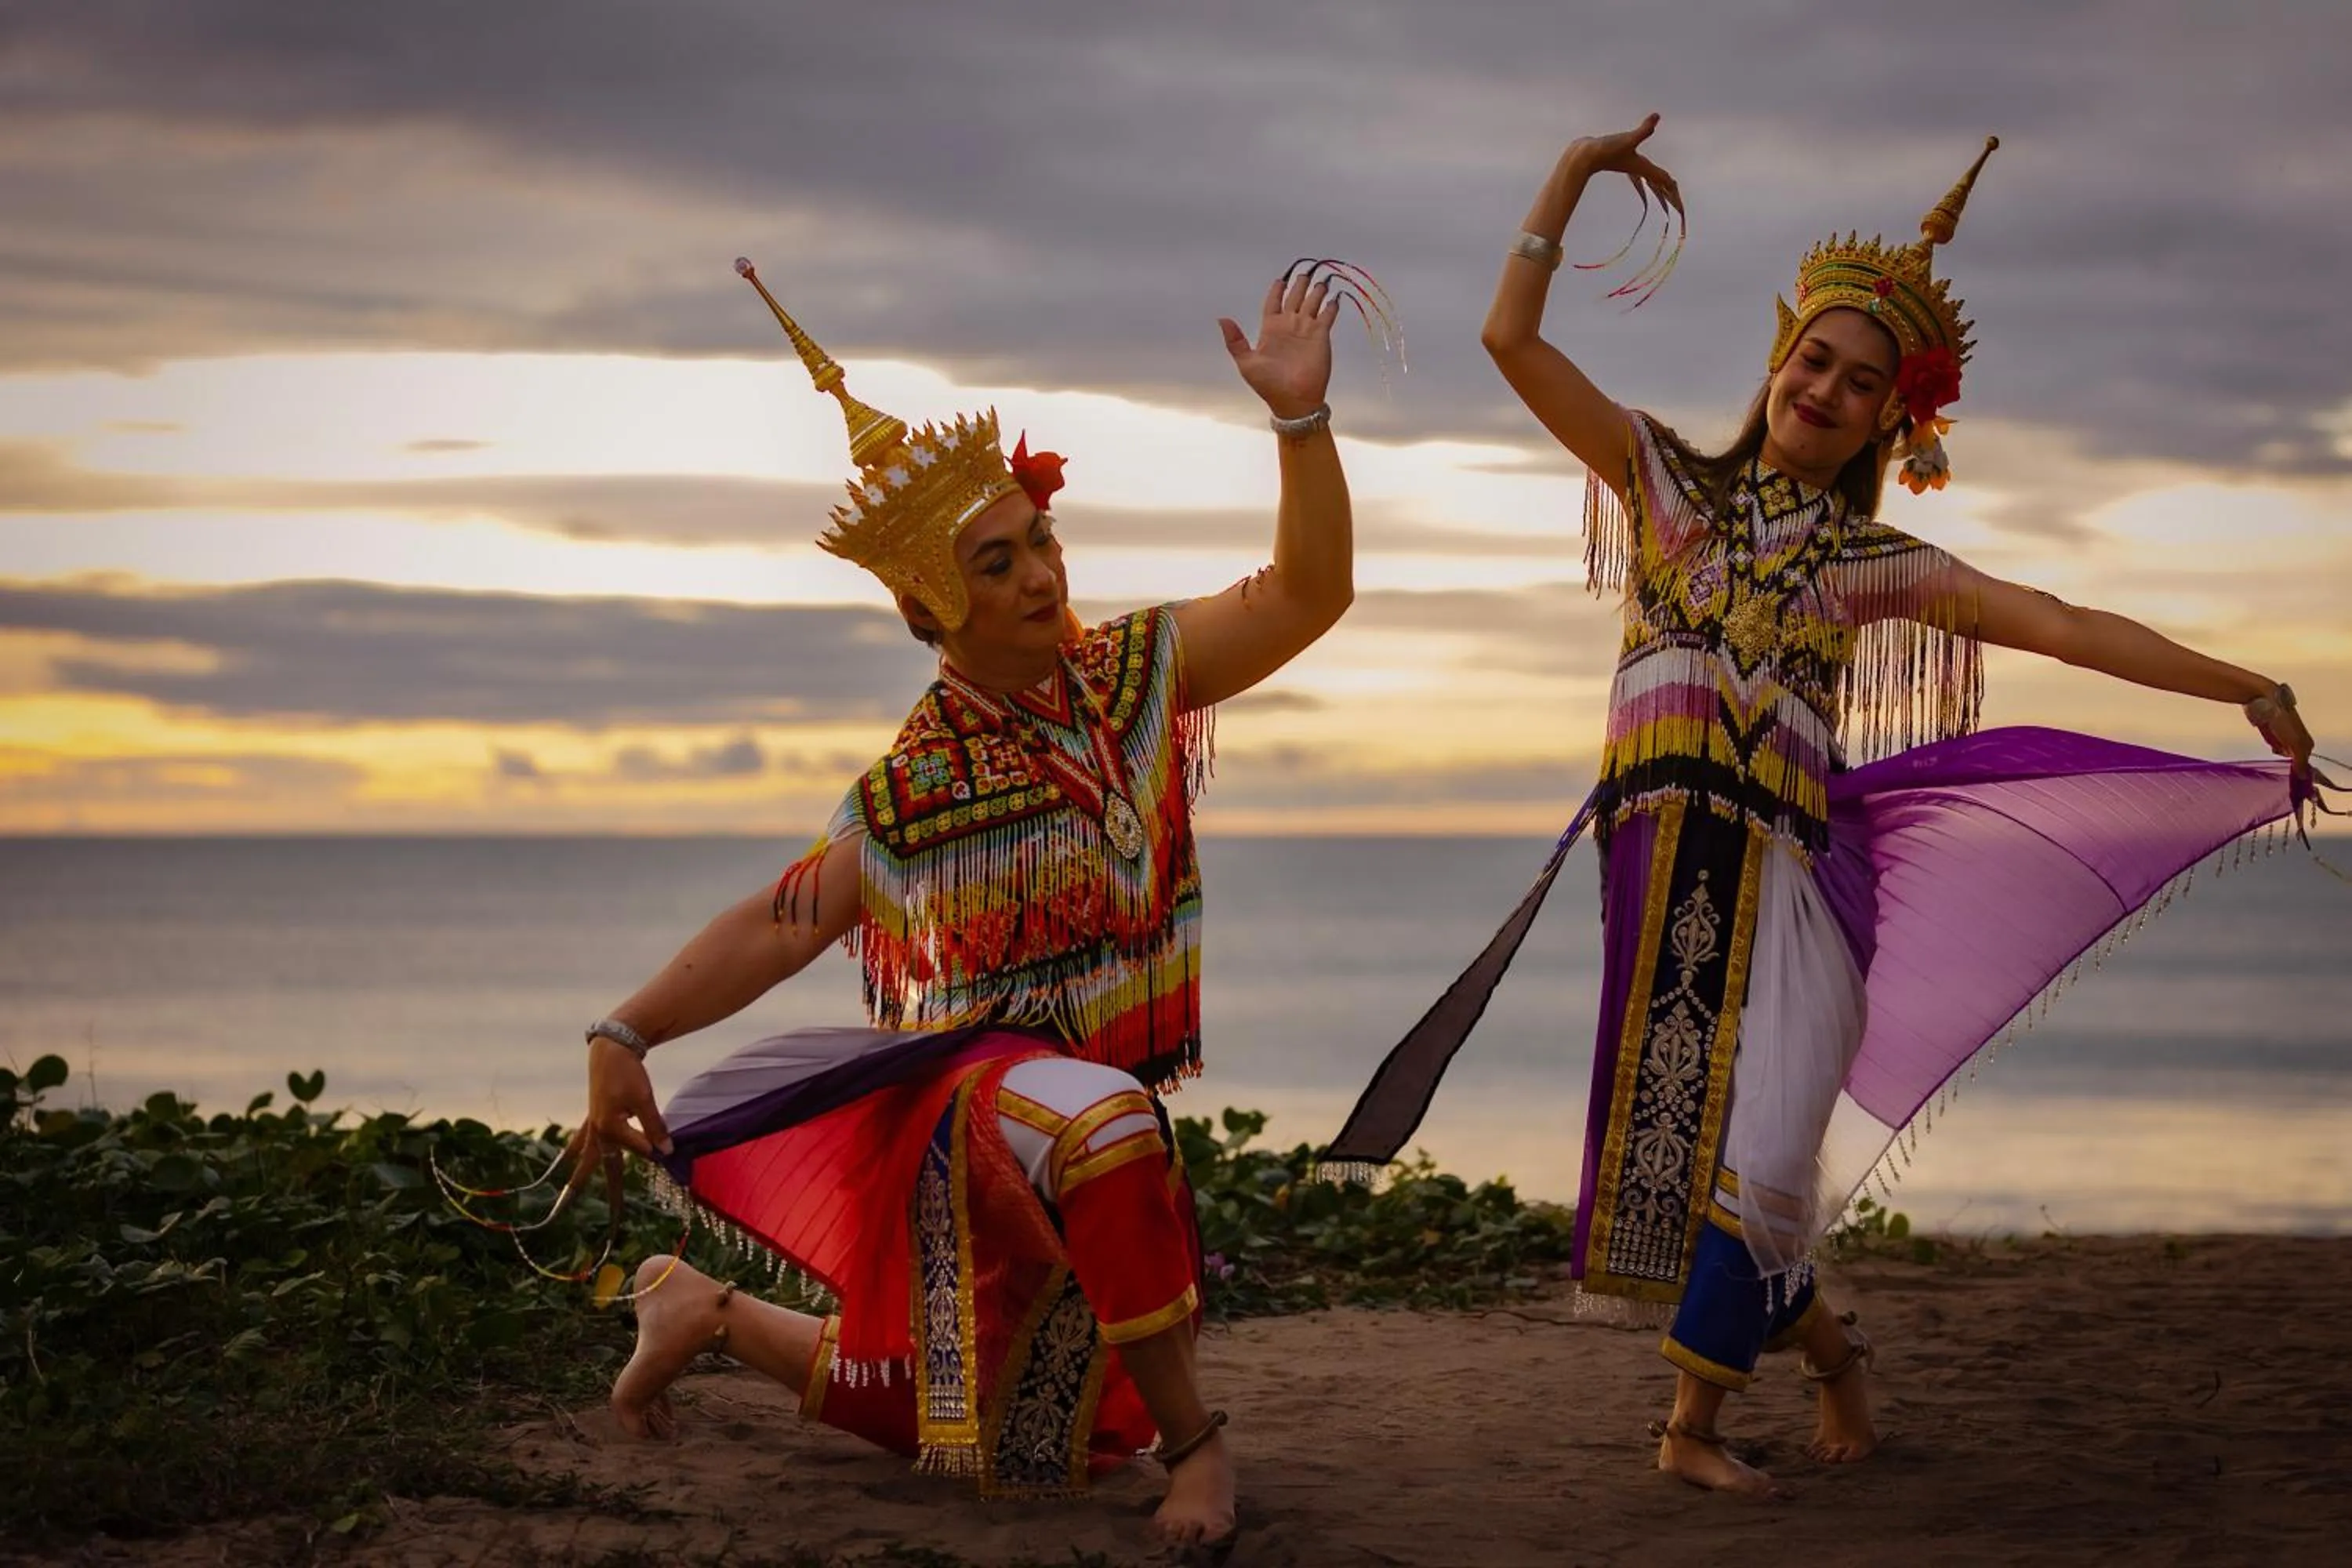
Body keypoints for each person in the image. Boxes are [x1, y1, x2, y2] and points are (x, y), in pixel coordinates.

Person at [1324, 116, 2328, 1500]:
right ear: (1777, 355)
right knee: (1697, 1175)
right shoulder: (1664, 484)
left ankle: (1691, 1427)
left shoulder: (1872, 565)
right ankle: (1830, 1349)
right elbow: (1511, 342)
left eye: (1861, 386)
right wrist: (1570, 175)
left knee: (1776, 1152)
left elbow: (2066, 620)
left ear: (1888, 421)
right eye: (1815, 360)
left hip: (1793, 894)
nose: (1825, 391)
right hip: (1664, 866)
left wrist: (2247, 683)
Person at [563, 260, 1356, 1547]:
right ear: (930, 603)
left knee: (1026, 1443)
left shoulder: (1135, 676)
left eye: (1039, 539)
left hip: (1091, 1125)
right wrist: (625, 1031)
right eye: (998, 563)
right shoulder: (911, 786)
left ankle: (704, 1313)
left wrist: (1300, 423)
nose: (1042, 575)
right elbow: (780, 924)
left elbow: (1309, 595)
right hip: (972, 1112)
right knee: (1106, 1132)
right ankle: (1199, 1446)